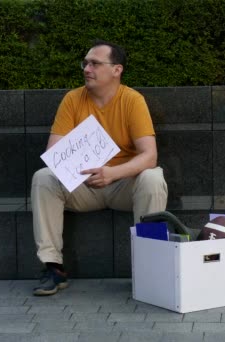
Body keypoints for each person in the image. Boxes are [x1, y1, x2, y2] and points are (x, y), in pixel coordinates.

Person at [30, 40, 168, 296]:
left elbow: (149, 156)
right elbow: (54, 154)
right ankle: (52, 267)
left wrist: (112, 173)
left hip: (123, 185)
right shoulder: (72, 99)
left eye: (95, 63)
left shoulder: (133, 101)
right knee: (44, 178)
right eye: (85, 63)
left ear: (117, 70)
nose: (87, 69)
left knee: (152, 178)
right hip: (84, 186)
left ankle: (151, 266)